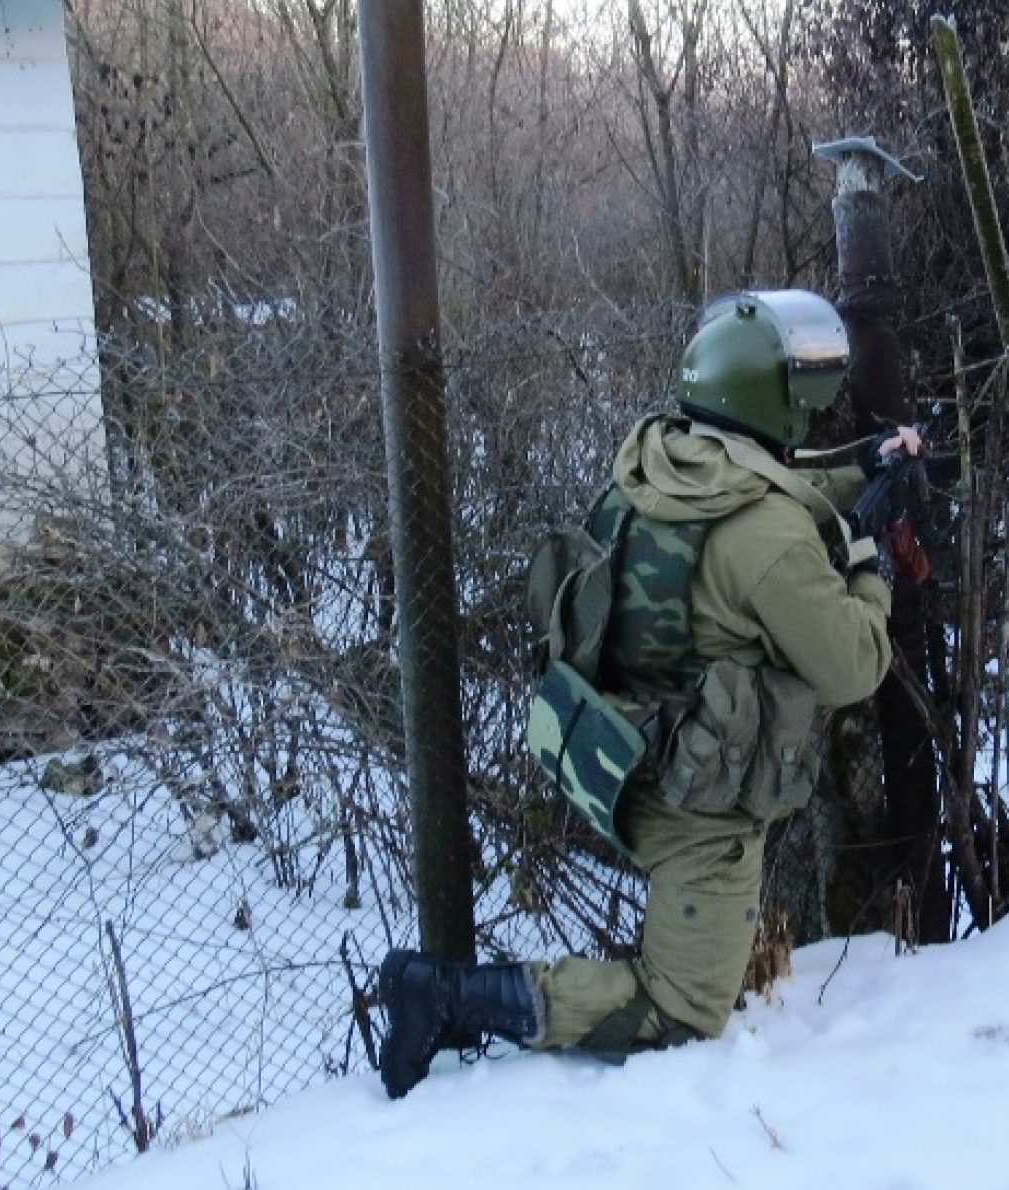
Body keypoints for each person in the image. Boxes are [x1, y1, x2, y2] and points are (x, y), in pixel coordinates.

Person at [377, 289, 920, 1098]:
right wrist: (869, 564)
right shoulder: (766, 536)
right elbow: (852, 665)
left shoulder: (658, 461)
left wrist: (859, 475)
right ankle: (446, 999)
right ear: (776, 397)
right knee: (683, 1009)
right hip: (695, 807)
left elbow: (762, 494)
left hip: (612, 757)